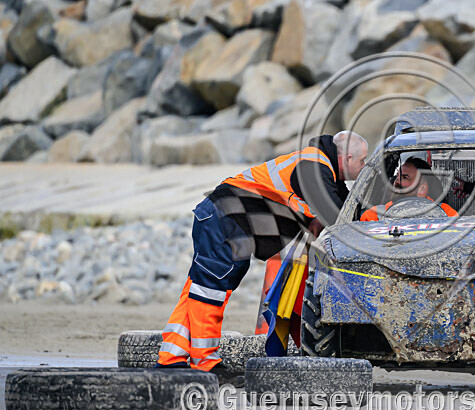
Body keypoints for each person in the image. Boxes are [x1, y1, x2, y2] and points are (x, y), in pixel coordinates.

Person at [157, 131, 368, 375]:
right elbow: (335, 215)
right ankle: (205, 364)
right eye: (362, 161)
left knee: (198, 289)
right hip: (225, 217)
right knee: (210, 292)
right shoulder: (314, 165)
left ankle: (171, 356)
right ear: (347, 158)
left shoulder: (323, 169)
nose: (363, 168)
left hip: (222, 218)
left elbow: (350, 210)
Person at [360, 157, 457, 221]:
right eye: (397, 176)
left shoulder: (446, 213)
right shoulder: (373, 215)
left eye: (405, 177)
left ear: (422, 189)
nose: (396, 182)